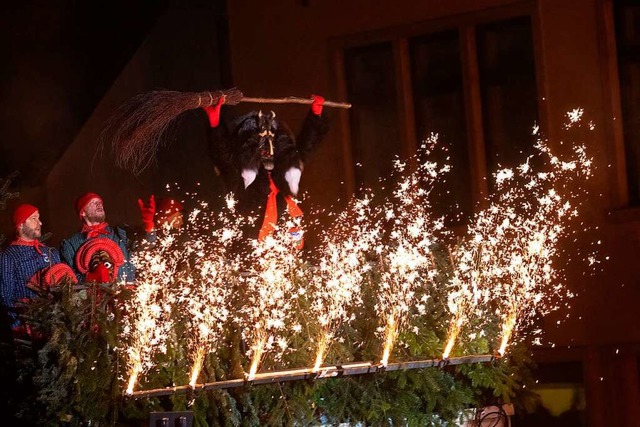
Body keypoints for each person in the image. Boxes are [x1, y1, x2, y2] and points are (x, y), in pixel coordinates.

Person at [204, 94, 329, 245]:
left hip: (281, 253)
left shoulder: (284, 177)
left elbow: (304, 148)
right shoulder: (246, 181)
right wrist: (215, 124)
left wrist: (316, 114)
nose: (268, 154)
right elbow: (224, 158)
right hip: (255, 254)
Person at [0, 204, 74, 327]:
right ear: (20, 225)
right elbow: (5, 296)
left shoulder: (51, 252)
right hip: (28, 327)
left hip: (56, 324)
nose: (39, 223)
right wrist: (19, 325)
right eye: (33, 218)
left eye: (39, 218)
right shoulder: (8, 256)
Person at [60, 192, 135, 283]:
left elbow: (145, 247)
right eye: (93, 202)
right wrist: (89, 278)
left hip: (127, 294)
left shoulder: (120, 233)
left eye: (100, 202)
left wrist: (149, 228)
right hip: (93, 296)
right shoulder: (71, 244)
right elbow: (69, 276)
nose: (99, 204)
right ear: (83, 212)